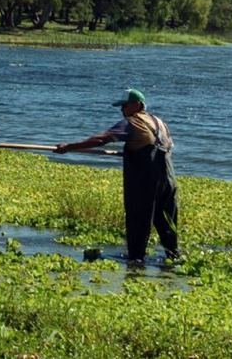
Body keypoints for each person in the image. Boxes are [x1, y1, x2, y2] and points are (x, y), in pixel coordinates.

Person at [54, 88, 179, 262]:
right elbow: (155, 147)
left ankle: (136, 261)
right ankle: (173, 259)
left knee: (138, 220)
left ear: (138, 105)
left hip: (145, 181)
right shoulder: (160, 123)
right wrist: (130, 152)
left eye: (125, 105)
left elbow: (101, 139)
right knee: (167, 222)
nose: (122, 110)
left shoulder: (132, 122)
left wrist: (69, 147)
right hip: (168, 179)